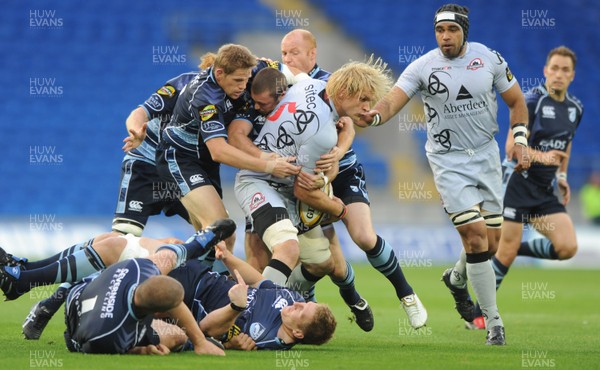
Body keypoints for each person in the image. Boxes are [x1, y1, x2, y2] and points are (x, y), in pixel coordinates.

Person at [357, 4, 531, 345]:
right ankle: (493, 323)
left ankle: (455, 278)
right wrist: (375, 117)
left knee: (491, 243)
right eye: (440, 31)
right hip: (447, 160)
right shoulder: (423, 66)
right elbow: (394, 99)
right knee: (475, 235)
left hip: (486, 156)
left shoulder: (489, 59)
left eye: (451, 30)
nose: (445, 37)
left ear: (465, 30)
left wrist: (521, 140)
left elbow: (517, 103)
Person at [241, 28, 428, 330]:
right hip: (297, 175)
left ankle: (404, 294)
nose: (287, 58)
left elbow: (349, 125)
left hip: (334, 170)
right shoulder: (280, 78)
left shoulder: (338, 83)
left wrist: (339, 152)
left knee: (361, 239)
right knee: (311, 260)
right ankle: (318, 306)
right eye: (284, 52)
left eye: (294, 52)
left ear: (312, 54)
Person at [228, 67, 373, 331]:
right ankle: (255, 320)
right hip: (257, 182)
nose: (367, 106)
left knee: (321, 264)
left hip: (283, 187)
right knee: (287, 249)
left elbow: (316, 175)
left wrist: (331, 168)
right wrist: (338, 210)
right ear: (343, 92)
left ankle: (276, 294)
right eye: (362, 99)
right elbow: (304, 191)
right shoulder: (323, 132)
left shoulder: (309, 83)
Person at [0, 219, 237, 355]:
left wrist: (201, 241)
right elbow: (174, 336)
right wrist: (145, 348)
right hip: (79, 311)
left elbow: (169, 261)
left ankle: (26, 280)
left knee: (115, 245)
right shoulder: (118, 332)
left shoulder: (134, 273)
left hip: (81, 295)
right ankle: (29, 280)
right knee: (109, 241)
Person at [156, 43, 300, 256]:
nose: (244, 86)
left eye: (246, 78)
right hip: (180, 158)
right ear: (220, 73)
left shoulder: (256, 67)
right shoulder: (205, 97)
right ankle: (183, 270)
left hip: (205, 162)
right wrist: (268, 165)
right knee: (221, 229)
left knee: (212, 239)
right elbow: (219, 151)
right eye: (238, 81)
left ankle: (201, 282)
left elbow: (295, 76)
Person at [491, 46, 583, 298]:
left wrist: (561, 176)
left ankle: (511, 249)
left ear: (572, 75)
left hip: (543, 192)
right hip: (517, 185)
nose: (559, 74)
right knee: (505, 253)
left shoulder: (575, 108)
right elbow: (511, 148)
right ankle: (478, 315)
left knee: (567, 247)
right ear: (545, 71)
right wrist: (543, 157)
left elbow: (566, 143)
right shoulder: (532, 101)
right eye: (554, 68)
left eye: (565, 70)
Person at [168, 243, 337, 350]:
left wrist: (235, 308)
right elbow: (258, 281)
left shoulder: (263, 340)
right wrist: (227, 257)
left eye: (301, 311)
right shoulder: (292, 299)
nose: (299, 304)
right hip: (203, 273)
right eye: (305, 304)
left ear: (298, 333)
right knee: (168, 244)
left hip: (188, 294)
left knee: (152, 265)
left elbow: (205, 329)